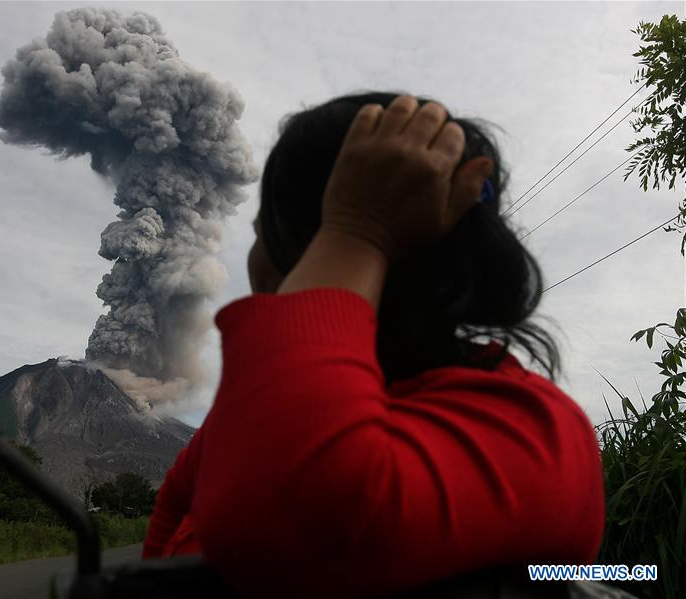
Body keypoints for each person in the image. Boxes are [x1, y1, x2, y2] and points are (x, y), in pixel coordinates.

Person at [142, 93, 605, 598]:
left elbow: (293, 511)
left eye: (262, 233)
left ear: (307, 246)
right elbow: (176, 501)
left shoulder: (534, 434)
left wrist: (358, 232)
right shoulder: (256, 413)